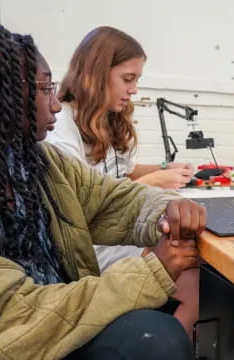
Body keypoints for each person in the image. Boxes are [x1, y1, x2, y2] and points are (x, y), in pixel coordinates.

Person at [0, 20, 206, 360]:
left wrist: (165, 210)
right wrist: (150, 273)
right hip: (12, 340)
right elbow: (14, 315)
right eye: (45, 89)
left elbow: (110, 199)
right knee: (157, 338)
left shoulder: (37, 162)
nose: (56, 105)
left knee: (167, 312)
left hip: (56, 318)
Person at [46, 26, 199, 338]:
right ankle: (169, 344)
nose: (133, 90)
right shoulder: (61, 127)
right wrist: (153, 182)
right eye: (127, 79)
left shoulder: (107, 120)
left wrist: (164, 168)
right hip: (90, 244)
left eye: (136, 81)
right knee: (195, 277)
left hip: (116, 232)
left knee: (193, 260)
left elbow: (125, 172)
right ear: (97, 72)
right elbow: (79, 204)